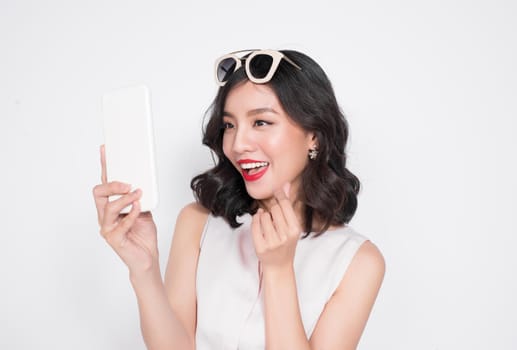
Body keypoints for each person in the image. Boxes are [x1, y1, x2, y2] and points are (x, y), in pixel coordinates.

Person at [93, 49, 385, 350]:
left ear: (315, 136)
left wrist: (278, 270)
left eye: (261, 122)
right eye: (230, 125)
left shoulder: (358, 261)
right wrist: (144, 269)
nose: (238, 144)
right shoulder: (197, 222)